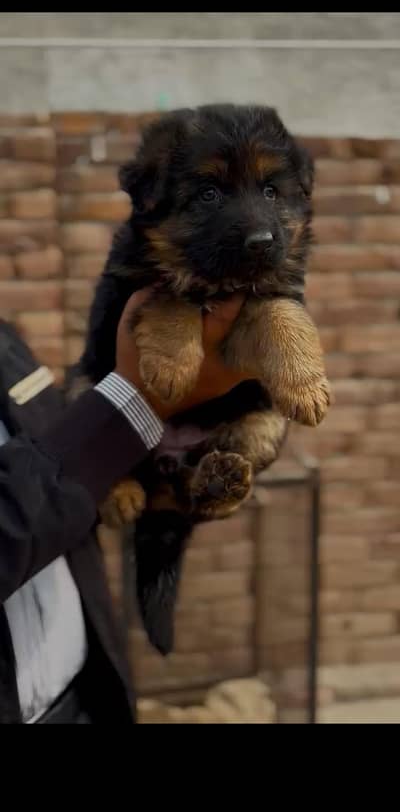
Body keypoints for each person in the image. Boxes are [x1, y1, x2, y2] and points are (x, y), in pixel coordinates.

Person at [0, 290, 248, 724]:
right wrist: (137, 399)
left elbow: (66, 483)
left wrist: (181, 469)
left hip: (89, 697)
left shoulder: (4, 341)